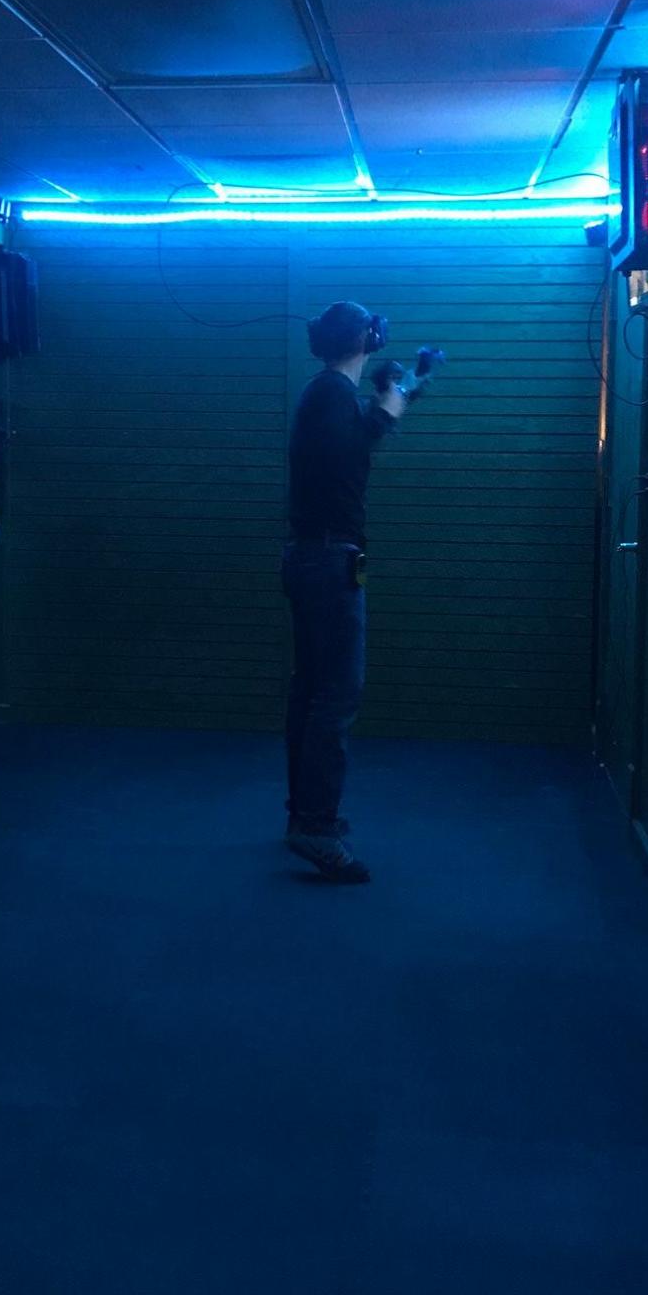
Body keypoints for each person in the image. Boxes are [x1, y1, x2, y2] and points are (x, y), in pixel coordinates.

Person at [283, 302, 407, 884]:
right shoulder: (333, 393)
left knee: (313, 691)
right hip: (330, 559)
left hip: (314, 557)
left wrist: (394, 398)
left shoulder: (327, 394)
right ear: (366, 339)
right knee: (336, 695)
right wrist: (390, 402)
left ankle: (305, 815)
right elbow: (356, 451)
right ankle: (315, 825)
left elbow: (357, 441)